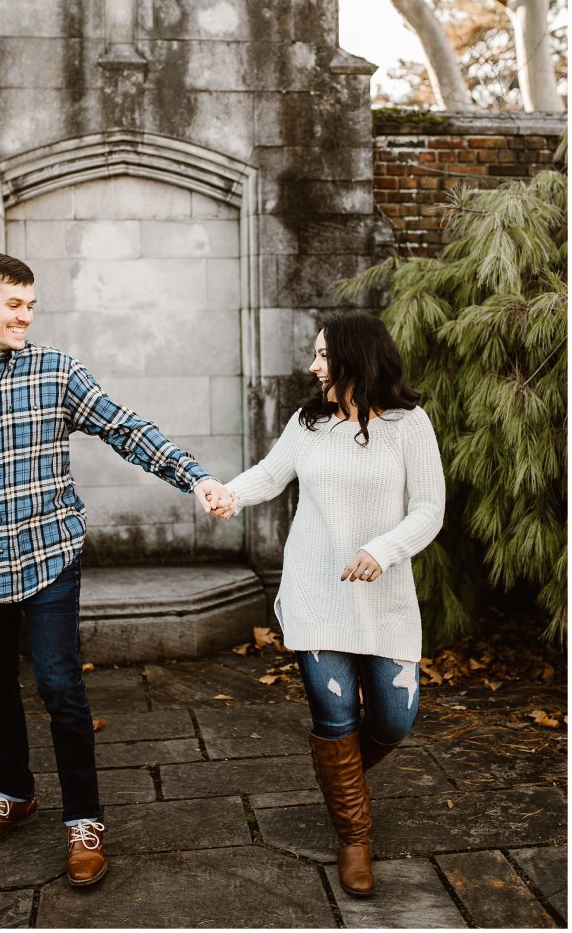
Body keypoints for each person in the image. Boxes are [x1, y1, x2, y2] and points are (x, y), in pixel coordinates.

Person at [0, 252, 231, 888]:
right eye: (13, 304)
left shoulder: (56, 373)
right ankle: (15, 796)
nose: (27, 314)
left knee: (59, 687)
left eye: (30, 303)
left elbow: (125, 429)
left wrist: (196, 478)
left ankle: (83, 822)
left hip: (48, 556)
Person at [210, 310, 445, 897]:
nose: (313, 366)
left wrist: (383, 549)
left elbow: (429, 510)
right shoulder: (307, 423)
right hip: (316, 592)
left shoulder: (409, 424)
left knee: (396, 718)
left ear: (354, 359)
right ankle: (353, 837)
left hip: (384, 596)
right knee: (335, 719)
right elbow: (270, 473)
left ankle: (339, 780)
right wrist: (228, 495)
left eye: (323, 355)